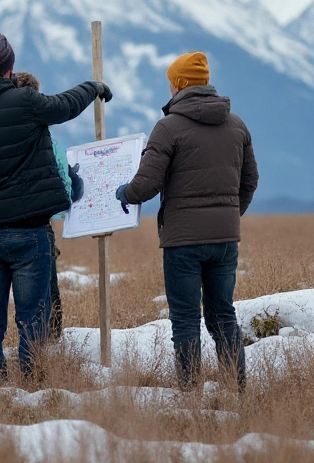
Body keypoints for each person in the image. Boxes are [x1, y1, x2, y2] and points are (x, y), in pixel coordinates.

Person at [0, 31, 111, 382]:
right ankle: (33, 381)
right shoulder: (24, 101)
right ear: (10, 66)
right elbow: (65, 105)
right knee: (33, 314)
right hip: (29, 232)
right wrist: (93, 86)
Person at [115, 52, 259, 392]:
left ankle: (190, 392)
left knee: (185, 319)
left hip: (182, 242)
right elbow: (250, 181)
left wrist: (123, 193)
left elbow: (146, 185)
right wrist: (227, 216)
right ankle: (237, 391)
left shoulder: (168, 127)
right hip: (225, 240)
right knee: (223, 314)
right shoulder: (237, 125)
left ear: (177, 84)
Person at [11, 71, 85, 339]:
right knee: (44, 289)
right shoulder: (48, 141)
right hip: (39, 225)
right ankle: (48, 343)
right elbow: (66, 187)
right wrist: (73, 187)